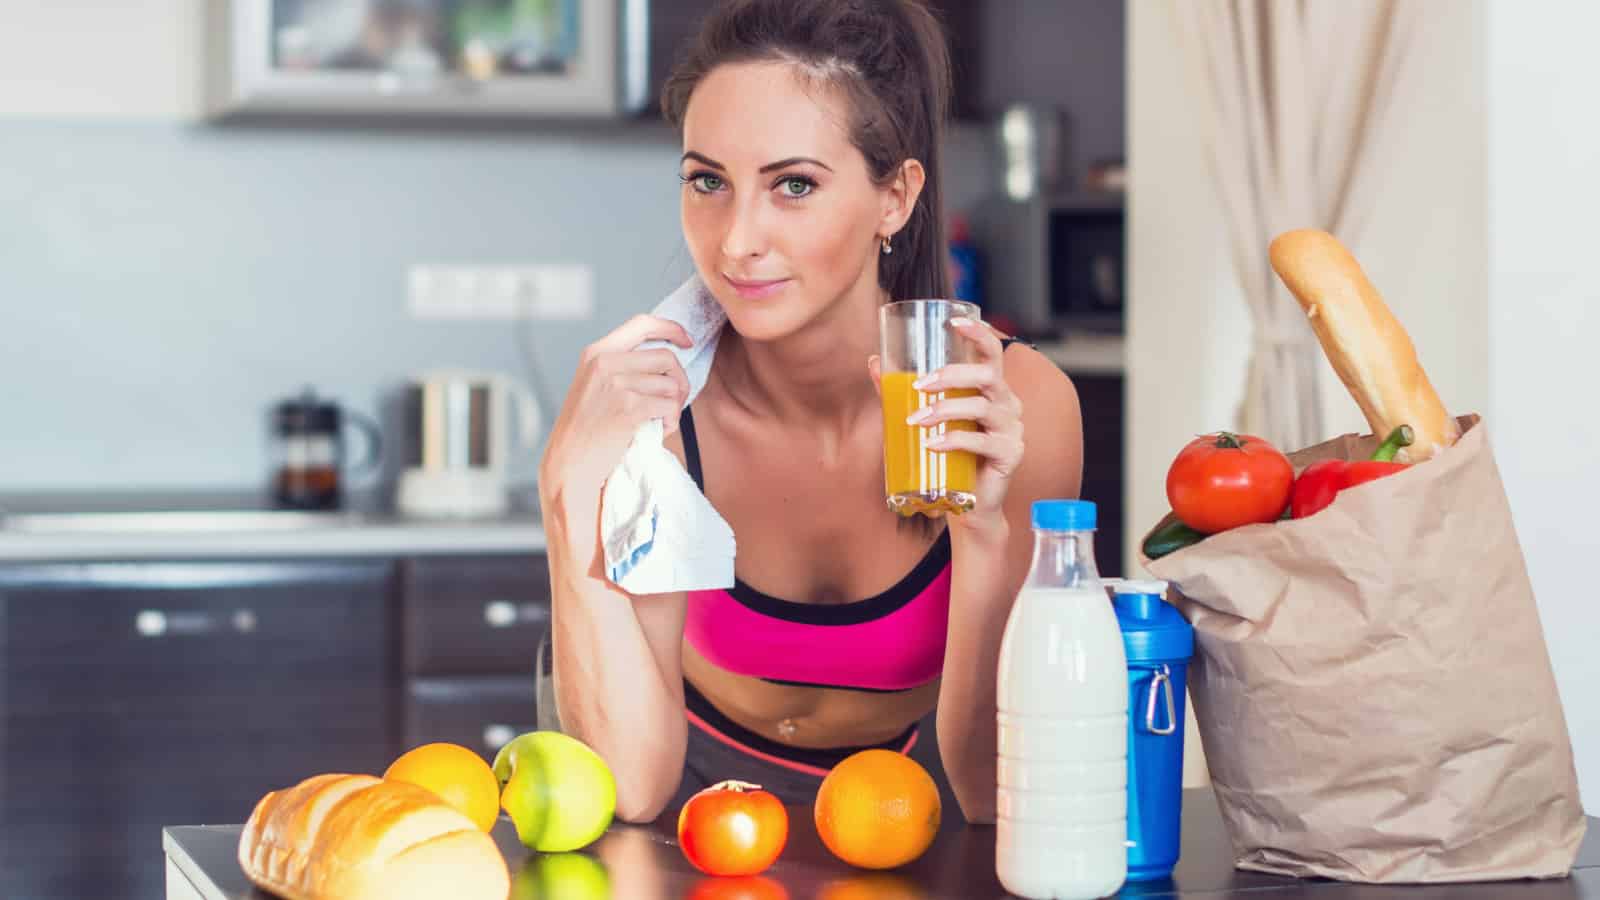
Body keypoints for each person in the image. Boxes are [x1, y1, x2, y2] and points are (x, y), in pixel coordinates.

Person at [537, 0, 1083, 824]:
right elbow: (636, 787)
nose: (736, 241)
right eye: (707, 182)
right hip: (695, 817)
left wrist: (983, 532)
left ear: (894, 196)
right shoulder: (654, 414)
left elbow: (992, 792)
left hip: (911, 813)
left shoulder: (1013, 406)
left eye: (793, 185)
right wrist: (564, 489)